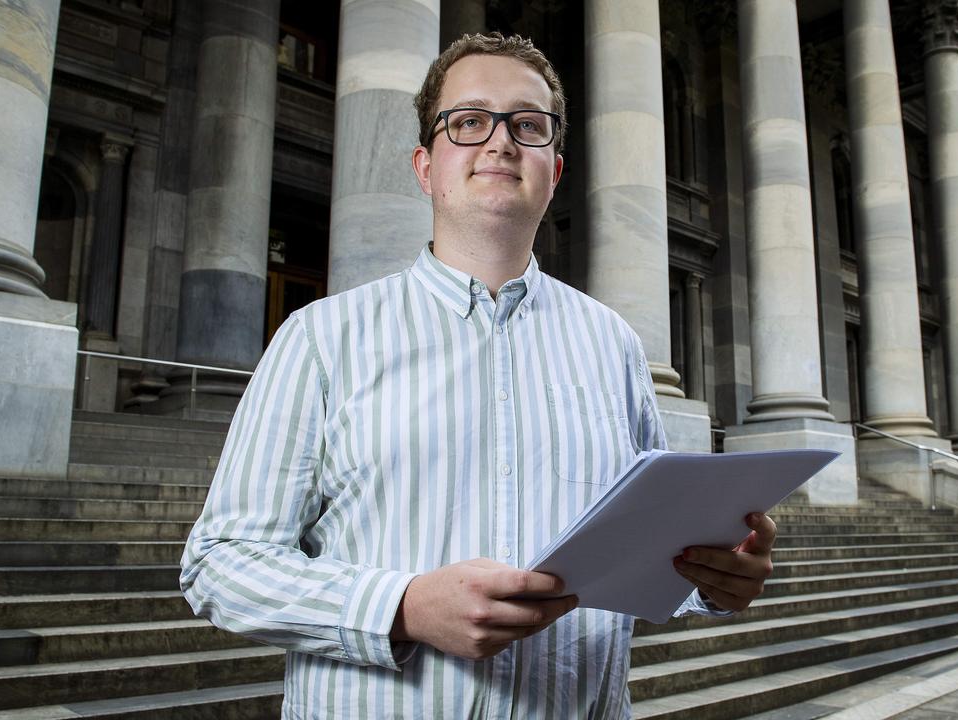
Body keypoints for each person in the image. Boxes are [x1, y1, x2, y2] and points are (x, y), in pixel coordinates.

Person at [181, 32, 777, 720]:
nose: (500, 143)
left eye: (527, 125)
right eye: (468, 122)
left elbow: (639, 552)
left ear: (555, 168)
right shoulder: (321, 338)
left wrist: (713, 579)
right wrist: (400, 608)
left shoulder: (612, 346)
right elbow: (221, 564)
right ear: (425, 166)